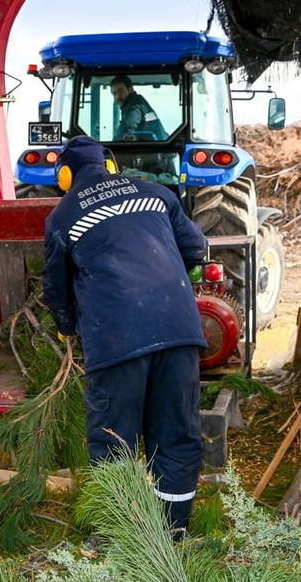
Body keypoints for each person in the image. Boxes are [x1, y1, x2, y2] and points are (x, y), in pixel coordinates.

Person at [42, 136, 207, 534]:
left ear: (65, 175)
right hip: (180, 332)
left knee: (114, 441)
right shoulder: (157, 194)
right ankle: (172, 535)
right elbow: (196, 248)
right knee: (177, 438)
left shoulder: (64, 216)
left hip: (116, 342)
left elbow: (57, 290)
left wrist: (67, 328)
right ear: (111, 165)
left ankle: (123, 539)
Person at [110, 75, 168, 141]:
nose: (117, 97)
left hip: (154, 149)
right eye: (114, 93)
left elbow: (127, 131)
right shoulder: (140, 103)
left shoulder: (134, 106)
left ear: (130, 89)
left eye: (120, 91)